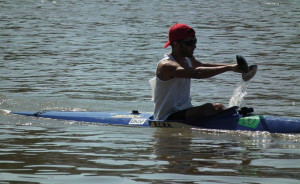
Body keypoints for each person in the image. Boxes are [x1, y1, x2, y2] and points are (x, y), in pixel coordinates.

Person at [149, 23, 243, 121]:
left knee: (218, 107)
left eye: (195, 41)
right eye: (189, 43)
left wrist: (234, 67)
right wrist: (228, 68)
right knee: (208, 108)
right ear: (176, 44)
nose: (194, 46)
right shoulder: (166, 65)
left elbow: (201, 66)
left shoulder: (188, 59)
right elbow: (196, 73)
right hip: (166, 116)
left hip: (185, 110)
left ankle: (234, 120)